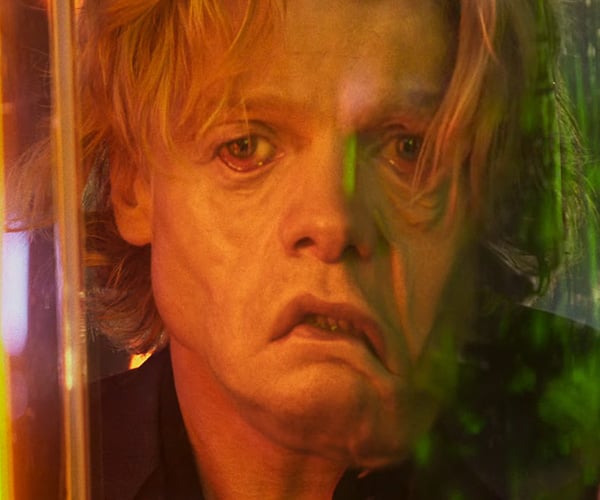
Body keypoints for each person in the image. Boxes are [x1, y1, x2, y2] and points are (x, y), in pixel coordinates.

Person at [7, 0, 600, 498]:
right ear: (133, 184)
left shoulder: (578, 434)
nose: (333, 221)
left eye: (409, 150)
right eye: (245, 146)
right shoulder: (35, 469)